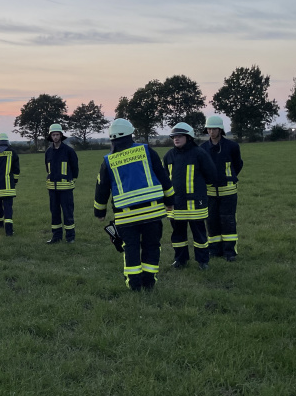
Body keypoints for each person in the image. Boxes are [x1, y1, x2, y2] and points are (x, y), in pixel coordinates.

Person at [94, 118, 174, 291]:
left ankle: (134, 285)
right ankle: (149, 282)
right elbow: (163, 177)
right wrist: (170, 201)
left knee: (130, 248)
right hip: (152, 212)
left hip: (125, 216)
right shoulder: (147, 151)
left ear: (112, 138)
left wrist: (99, 212)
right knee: (151, 246)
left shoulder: (109, 160)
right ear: (131, 133)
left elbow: (102, 188)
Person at [163, 122, 218, 270]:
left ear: (189, 137)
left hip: (196, 204)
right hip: (176, 204)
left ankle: (203, 261)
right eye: (174, 136)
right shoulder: (169, 155)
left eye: (179, 136)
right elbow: (164, 179)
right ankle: (180, 260)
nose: (176, 139)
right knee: (178, 236)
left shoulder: (199, 154)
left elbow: (211, 175)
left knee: (199, 235)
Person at [200, 115, 243, 262]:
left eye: (214, 129)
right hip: (210, 192)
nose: (211, 132)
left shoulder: (232, 146)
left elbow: (238, 165)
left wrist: (228, 177)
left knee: (228, 221)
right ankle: (214, 250)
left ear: (221, 130)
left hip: (229, 192)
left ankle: (230, 252)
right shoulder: (203, 148)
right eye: (209, 129)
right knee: (211, 221)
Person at [44, 123, 79, 244]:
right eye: (53, 135)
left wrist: (71, 181)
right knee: (54, 213)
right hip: (52, 189)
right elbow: (47, 169)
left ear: (61, 135)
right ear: (50, 136)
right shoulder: (48, 152)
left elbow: (75, 168)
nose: (55, 137)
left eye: (57, 134)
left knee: (68, 212)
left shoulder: (69, 151)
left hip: (66, 189)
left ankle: (70, 237)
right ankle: (56, 237)